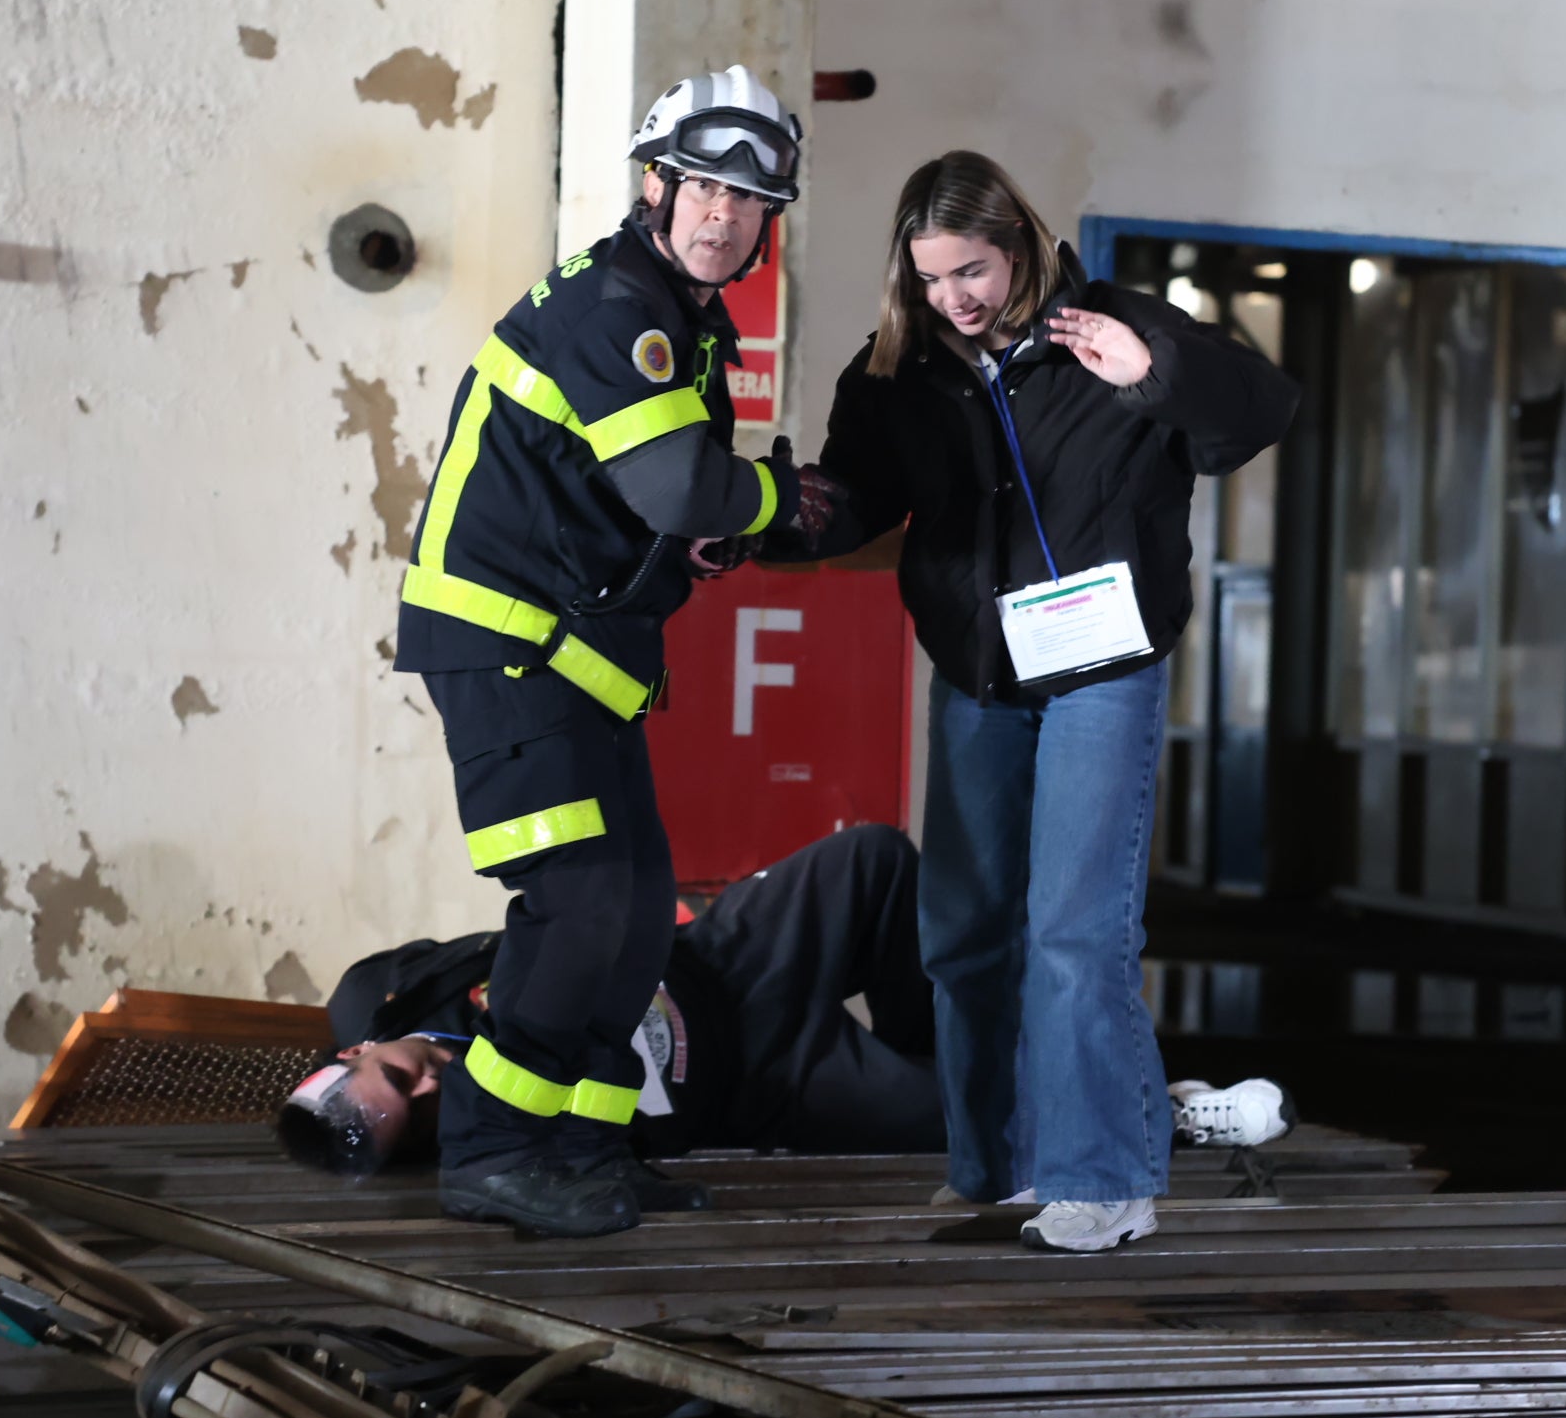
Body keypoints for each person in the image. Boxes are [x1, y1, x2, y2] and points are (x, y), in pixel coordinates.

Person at [787, 152, 1299, 1252]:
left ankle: (1106, 1181)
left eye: (970, 270)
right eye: (931, 278)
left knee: (1075, 927)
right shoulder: (899, 369)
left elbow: (1256, 412)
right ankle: (997, 1168)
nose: (953, 298)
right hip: (981, 672)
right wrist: (764, 514)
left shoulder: (1112, 328)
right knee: (964, 931)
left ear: (1017, 243)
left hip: (1102, 670)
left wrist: (1152, 373)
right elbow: (855, 498)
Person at [389, 65, 838, 1237]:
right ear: (655, 187)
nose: (723, 215)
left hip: (576, 651)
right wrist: (775, 500)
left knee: (637, 913)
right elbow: (681, 483)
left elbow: (640, 499)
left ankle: (586, 1147)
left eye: (749, 201)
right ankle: (492, 1150)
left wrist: (702, 537)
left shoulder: (681, 318)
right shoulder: (618, 307)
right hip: (508, 647)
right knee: (579, 899)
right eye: (703, 188)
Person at [277, 826, 945, 1184]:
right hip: (763, 1083)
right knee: (964, 1117)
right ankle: (934, 1075)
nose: (430, 1086)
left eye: (400, 1078)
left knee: (875, 858)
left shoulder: (382, 992)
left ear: (360, 1048)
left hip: (718, 958)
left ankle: (931, 1042)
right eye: (418, 1116)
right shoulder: (481, 1142)